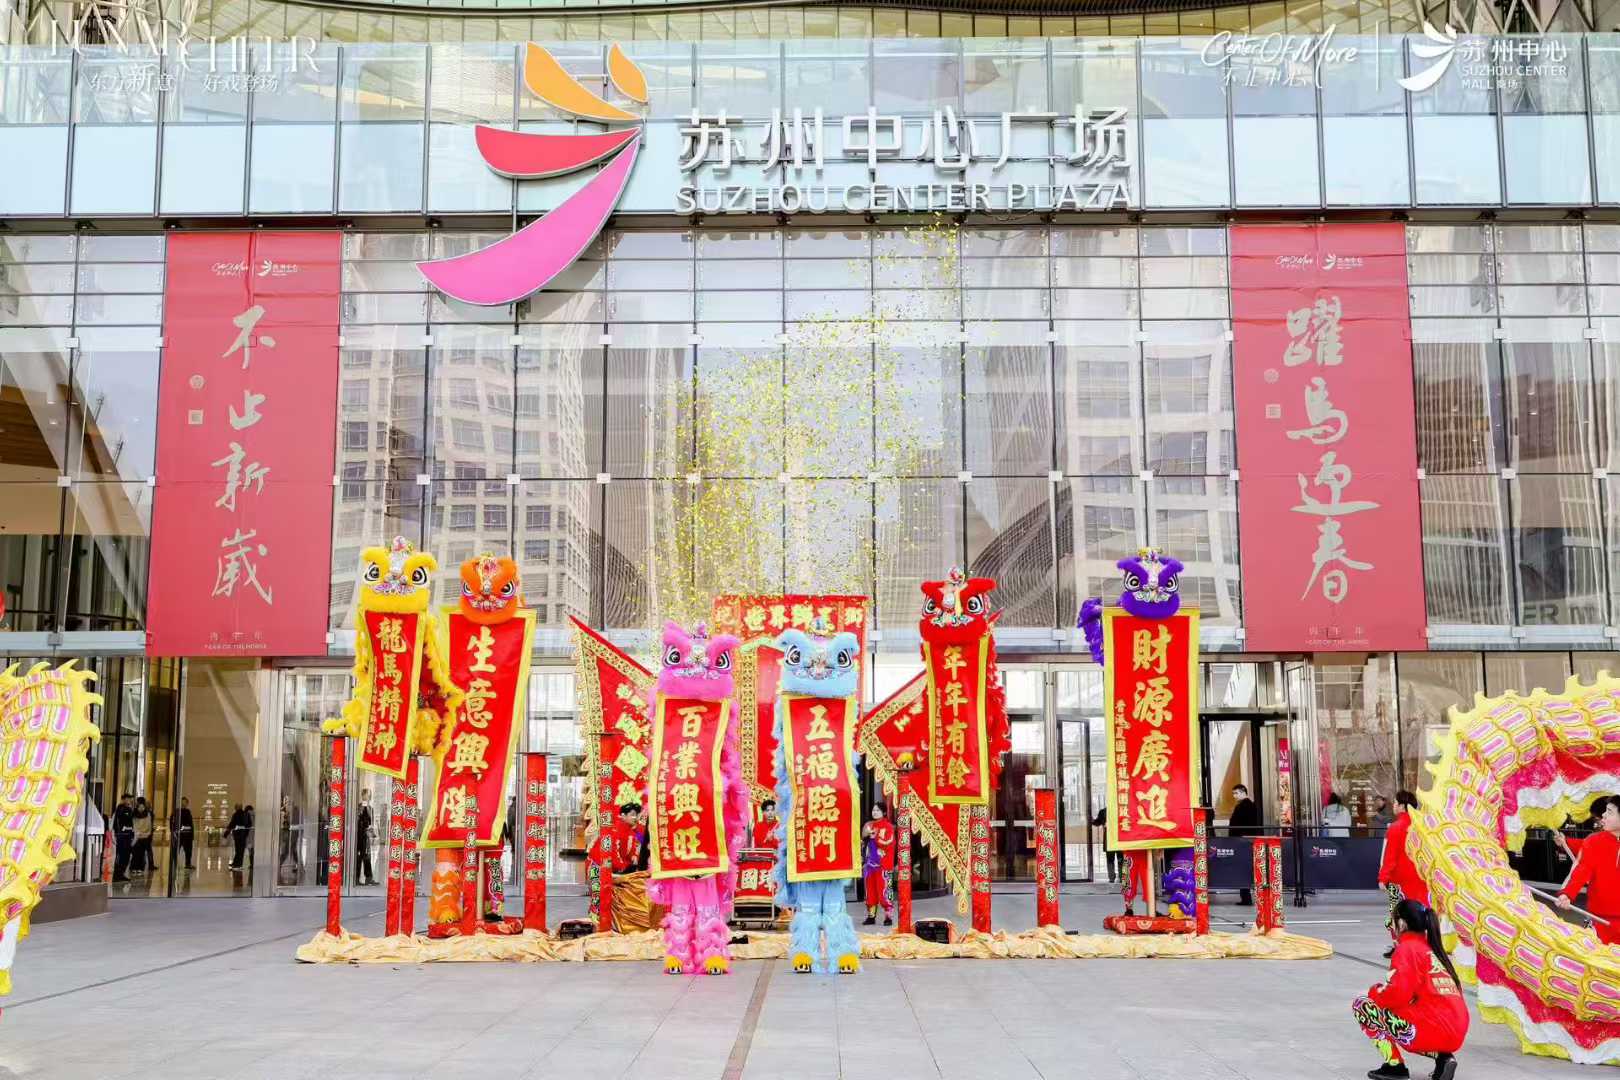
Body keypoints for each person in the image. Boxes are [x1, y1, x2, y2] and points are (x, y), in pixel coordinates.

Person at [1351, 898, 1467, 1080]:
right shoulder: (1433, 951)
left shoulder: (1408, 949)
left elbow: (1397, 994)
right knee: (1408, 1010)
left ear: (1402, 923)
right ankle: (1443, 1058)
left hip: (1434, 1030)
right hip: (1456, 1031)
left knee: (1362, 1005)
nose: (1391, 926)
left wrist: (1374, 991)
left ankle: (1394, 1066)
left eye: (1392, 921)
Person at [1556, 795, 1620, 946]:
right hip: (1599, 919)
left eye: (1610, 812)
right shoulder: (1594, 841)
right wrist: (1567, 894)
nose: (1604, 815)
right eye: (1605, 811)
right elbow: (1582, 871)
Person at [1378, 791, 1428, 959]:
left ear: (1402, 806)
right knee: (1420, 913)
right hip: (1421, 879)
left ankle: (1400, 946)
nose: (1393, 806)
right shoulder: (1423, 826)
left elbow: (1390, 857)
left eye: (1395, 803)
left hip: (1399, 881)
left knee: (1397, 914)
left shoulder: (1396, 827)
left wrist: (1383, 878)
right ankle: (1421, 947)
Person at [861, 804, 896, 926]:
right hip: (870, 864)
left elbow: (889, 843)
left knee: (885, 890)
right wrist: (866, 834)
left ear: (884, 812)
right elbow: (863, 839)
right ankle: (871, 916)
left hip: (884, 865)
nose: (874, 812)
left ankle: (888, 917)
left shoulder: (888, 826)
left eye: (877, 810)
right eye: (873, 810)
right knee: (870, 891)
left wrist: (874, 837)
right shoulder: (869, 825)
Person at [1228, 784, 1260, 906]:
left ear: (1243, 792)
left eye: (1236, 793)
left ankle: (1246, 897)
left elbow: (1237, 825)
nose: (1234, 796)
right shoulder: (1250, 805)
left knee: (1243, 869)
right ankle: (1245, 897)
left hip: (1242, 842)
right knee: (1245, 869)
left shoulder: (1243, 806)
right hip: (1247, 841)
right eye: (1233, 793)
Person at [1091, 805, 1121, 883]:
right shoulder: (1118, 809)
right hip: (1114, 840)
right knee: (1117, 859)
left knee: (1114, 860)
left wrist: (1092, 820)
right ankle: (1117, 878)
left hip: (1114, 840)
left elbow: (1097, 822)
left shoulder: (1104, 811)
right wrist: (1091, 819)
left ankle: (1113, 878)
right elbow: (1097, 822)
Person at [111, 793, 135, 882]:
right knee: (121, 855)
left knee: (127, 855)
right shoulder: (120, 809)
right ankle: (117, 875)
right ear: (124, 799)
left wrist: (132, 834)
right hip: (122, 836)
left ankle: (121, 873)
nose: (130, 801)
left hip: (128, 835)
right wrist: (118, 833)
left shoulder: (129, 809)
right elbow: (117, 823)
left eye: (130, 799)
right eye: (128, 799)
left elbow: (131, 823)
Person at [130, 796, 155, 876]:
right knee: (135, 853)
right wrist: (137, 832)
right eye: (139, 807)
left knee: (141, 853)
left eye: (142, 807)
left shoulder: (148, 814)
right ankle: (134, 867)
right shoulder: (134, 814)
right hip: (136, 836)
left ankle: (140, 868)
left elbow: (149, 825)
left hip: (144, 836)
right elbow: (133, 824)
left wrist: (145, 833)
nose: (141, 808)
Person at [355, 792, 376, 886]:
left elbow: (371, 822)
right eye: (365, 796)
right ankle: (356, 879)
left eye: (368, 796)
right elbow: (356, 819)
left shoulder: (370, 809)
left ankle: (369, 878)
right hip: (358, 836)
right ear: (362, 796)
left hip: (366, 836)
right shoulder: (358, 807)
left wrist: (372, 835)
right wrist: (361, 810)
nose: (366, 798)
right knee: (358, 858)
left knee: (367, 857)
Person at [173, 797, 195, 871]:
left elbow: (190, 824)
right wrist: (174, 831)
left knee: (188, 851)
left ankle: (187, 864)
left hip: (186, 835)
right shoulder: (177, 811)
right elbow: (173, 823)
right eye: (182, 802)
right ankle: (175, 863)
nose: (183, 803)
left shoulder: (187, 811)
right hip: (181, 834)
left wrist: (191, 835)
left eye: (185, 802)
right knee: (176, 850)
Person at [227, 803, 250, 870]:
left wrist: (226, 833)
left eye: (235, 807)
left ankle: (237, 864)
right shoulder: (246, 814)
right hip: (243, 835)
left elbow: (232, 824)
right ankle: (237, 863)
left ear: (237, 808)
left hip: (237, 835)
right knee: (241, 850)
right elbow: (249, 824)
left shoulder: (236, 814)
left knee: (238, 850)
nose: (235, 808)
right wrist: (246, 833)